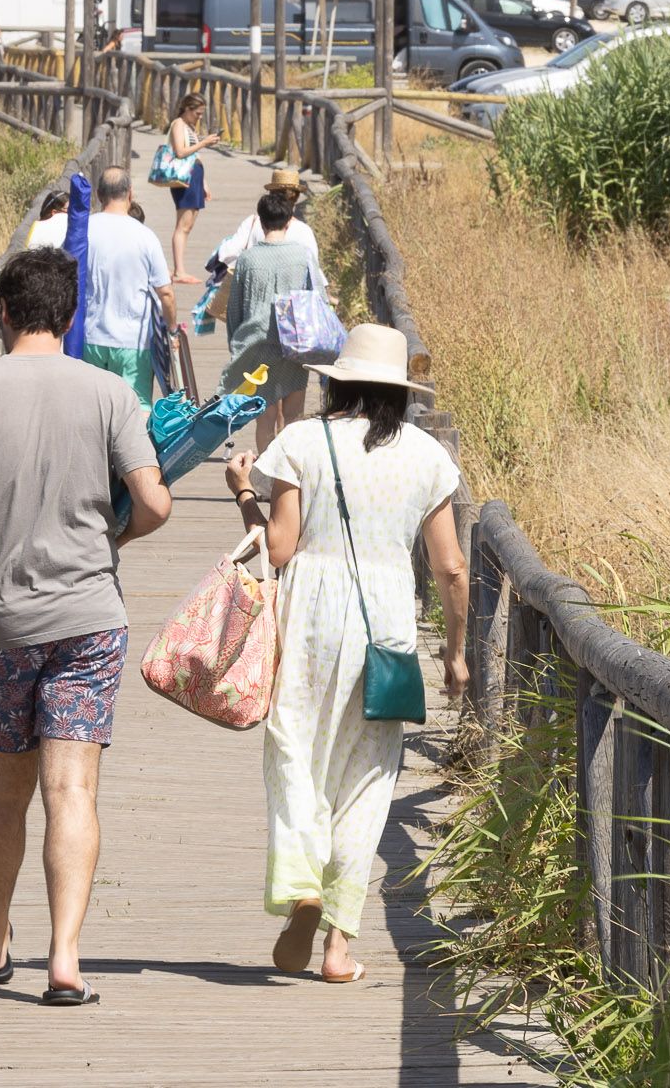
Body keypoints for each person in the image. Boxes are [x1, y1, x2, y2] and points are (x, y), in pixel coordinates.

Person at [0, 246, 172, 1006]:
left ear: (2, 313)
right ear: (70, 315)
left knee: (3, 793)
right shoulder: (110, 394)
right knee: (73, 790)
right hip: (89, 622)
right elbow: (153, 503)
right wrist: (110, 541)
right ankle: (64, 960)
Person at [223, 324, 468, 985]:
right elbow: (450, 568)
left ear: (337, 380)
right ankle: (337, 945)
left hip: (309, 611)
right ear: (400, 394)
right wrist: (456, 651)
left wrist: (245, 493)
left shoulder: (303, 440)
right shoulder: (426, 458)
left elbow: (277, 549)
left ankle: (302, 883)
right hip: (385, 619)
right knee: (366, 778)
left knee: (295, 749)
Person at [221, 189, 315, 450]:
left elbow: (234, 309)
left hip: (257, 343)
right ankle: (290, 479)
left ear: (260, 223)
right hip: (294, 344)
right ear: (289, 221)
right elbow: (313, 299)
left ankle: (264, 480)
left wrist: (235, 345)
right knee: (294, 417)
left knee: (265, 418)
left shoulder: (247, 260)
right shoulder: (301, 257)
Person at [78, 168, 173, 402]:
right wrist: (171, 331)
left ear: (99, 195)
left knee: (93, 405)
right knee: (136, 406)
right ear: (130, 194)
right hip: (133, 340)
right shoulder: (145, 236)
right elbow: (166, 292)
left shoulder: (83, 230)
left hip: (90, 337)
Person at [209, 164, 322, 277]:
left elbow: (228, 252)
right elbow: (313, 268)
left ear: (271, 193)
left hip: (253, 285)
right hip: (289, 291)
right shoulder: (303, 230)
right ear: (296, 197)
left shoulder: (252, 222)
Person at [164, 90, 216, 284]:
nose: (199, 117)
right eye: (197, 113)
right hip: (184, 178)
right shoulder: (178, 125)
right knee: (183, 224)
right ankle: (179, 270)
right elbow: (180, 152)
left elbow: (194, 156)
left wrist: (204, 183)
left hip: (194, 176)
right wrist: (204, 142)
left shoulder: (189, 126)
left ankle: (180, 268)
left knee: (189, 224)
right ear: (187, 109)